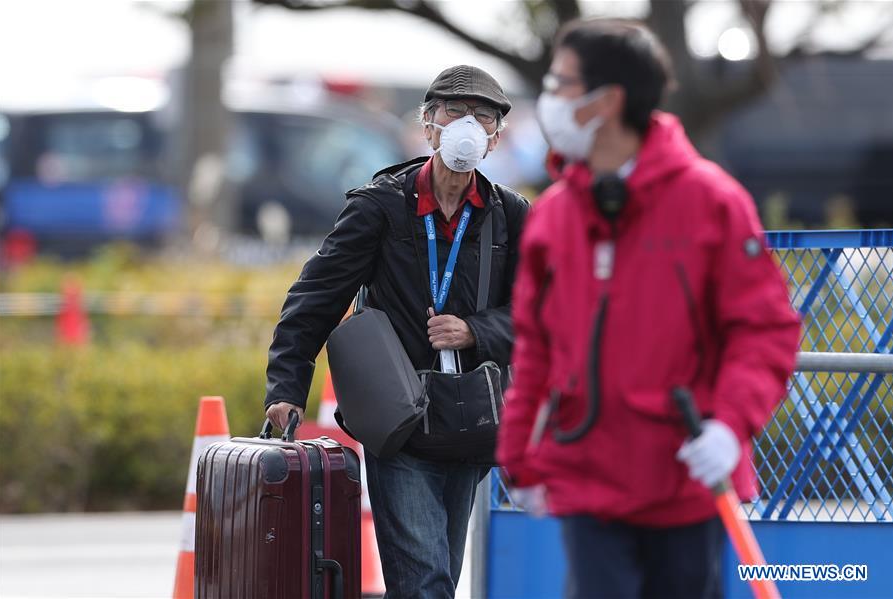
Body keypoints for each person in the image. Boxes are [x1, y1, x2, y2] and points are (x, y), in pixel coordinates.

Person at [497, 19, 800, 599]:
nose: (548, 101)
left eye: (560, 83)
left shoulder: (712, 202)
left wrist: (730, 427)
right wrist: (517, 457)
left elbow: (764, 329)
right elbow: (535, 344)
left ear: (606, 101)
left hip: (687, 478)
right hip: (588, 475)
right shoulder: (556, 215)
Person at [265, 65, 529, 598]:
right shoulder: (380, 207)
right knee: (425, 581)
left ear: (497, 138)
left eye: (484, 118)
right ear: (428, 124)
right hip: (401, 421)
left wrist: (477, 331)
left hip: (473, 421)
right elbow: (315, 299)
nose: (468, 127)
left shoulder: (510, 215)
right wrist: (287, 387)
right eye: (456, 113)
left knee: (436, 579)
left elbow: (544, 312)